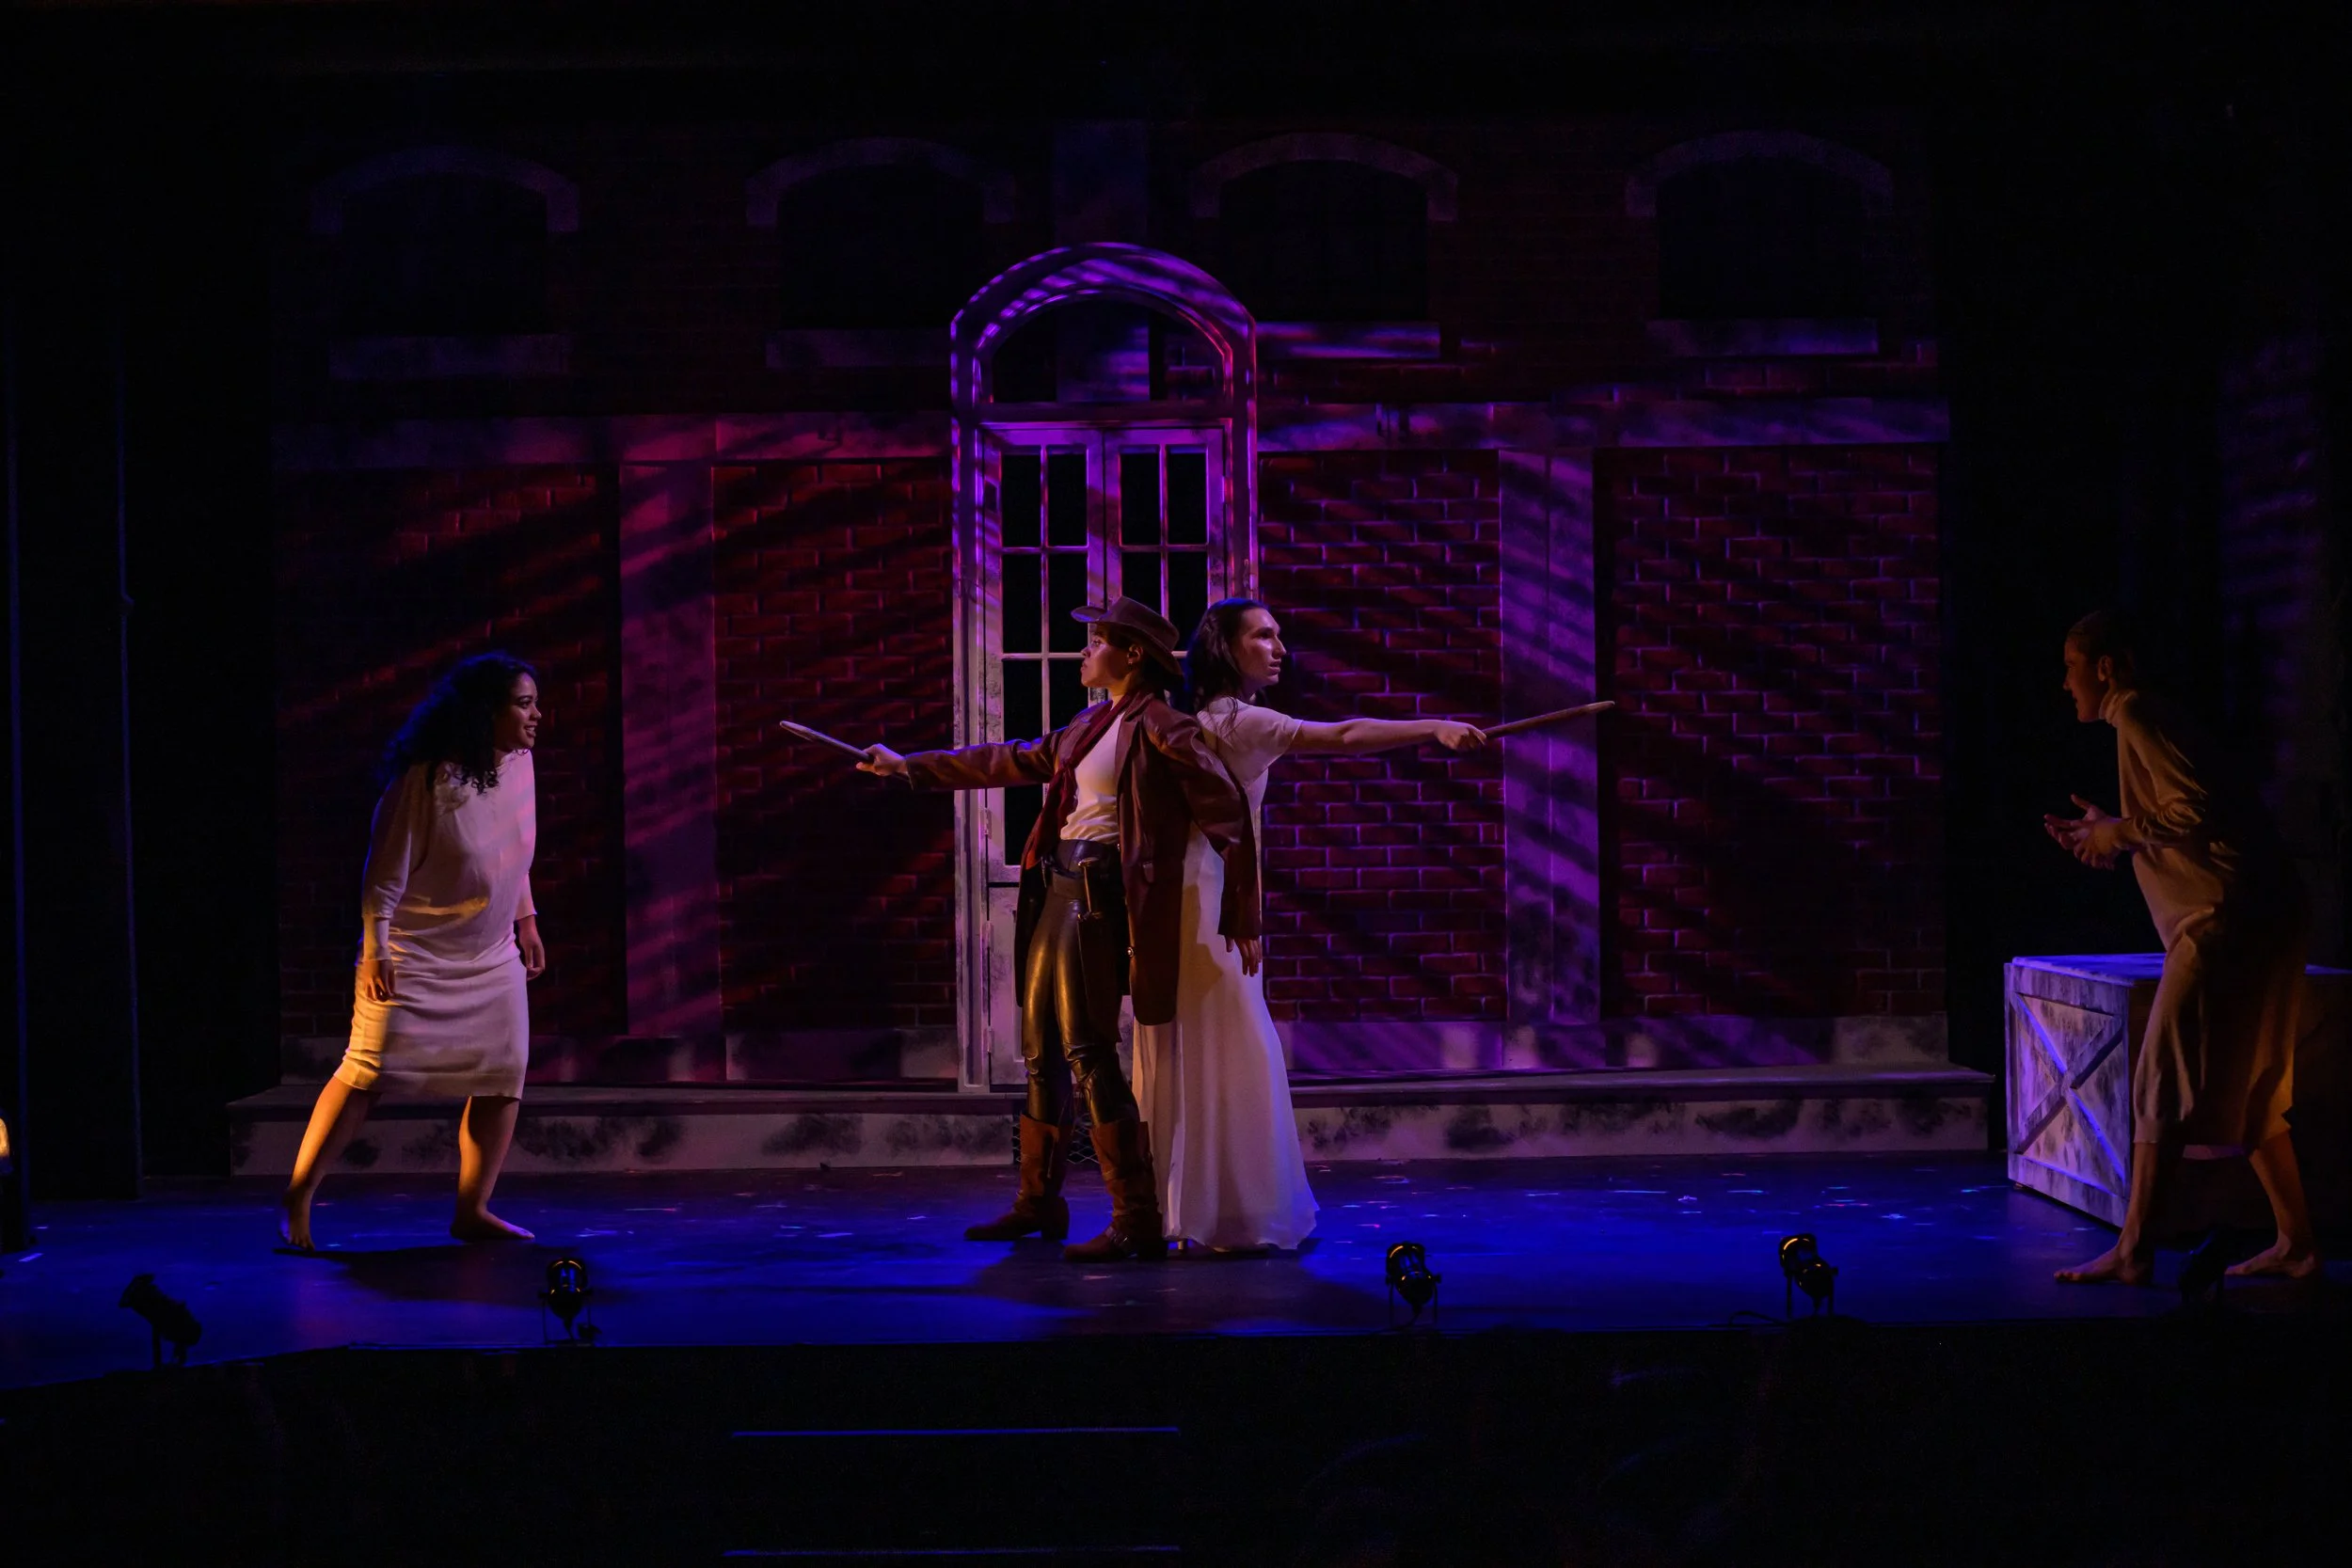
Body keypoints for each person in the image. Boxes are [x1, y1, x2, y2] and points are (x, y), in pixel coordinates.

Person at [860, 597, 1260, 1262]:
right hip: (1056, 886)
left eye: (1096, 641)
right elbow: (1012, 759)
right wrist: (910, 766)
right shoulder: (1090, 723)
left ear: (1133, 654)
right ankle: (1038, 1201)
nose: (1083, 651)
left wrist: (1242, 914)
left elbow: (1231, 817)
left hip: (1099, 898)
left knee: (1087, 1050)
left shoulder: (1166, 727)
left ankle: (1135, 1213)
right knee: (1040, 1049)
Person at [1139, 598, 1486, 1254]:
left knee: (1208, 1045)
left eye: (1279, 636)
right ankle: (1226, 1213)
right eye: (1263, 636)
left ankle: (1195, 1206)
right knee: (1231, 1044)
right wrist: (1433, 726)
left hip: (1192, 892)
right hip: (1207, 896)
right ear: (1226, 648)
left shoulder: (1197, 720)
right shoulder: (1239, 722)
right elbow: (1346, 735)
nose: (1279, 648)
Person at [2043, 610, 2321, 1283]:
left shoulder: (2135, 712)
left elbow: (2192, 807)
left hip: (2225, 919)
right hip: (2256, 914)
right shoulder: (2144, 716)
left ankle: (2135, 1249)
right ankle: (2299, 1245)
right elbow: (2185, 810)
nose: (2065, 683)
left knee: (2162, 1072)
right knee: (2253, 1086)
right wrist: (2109, 830)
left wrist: (2121, 831)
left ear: (2104, 667)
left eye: (2071, 667)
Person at [279, 654, 548, 1251]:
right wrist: (376, 953)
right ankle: (297, 1198)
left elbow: (512, 848)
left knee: (504, 1076)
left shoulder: (521, 765)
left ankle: (472, 1209)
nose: (537, 715)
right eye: (524, 703)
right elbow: (382, 881)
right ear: (487, 711)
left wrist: (526, 919)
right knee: (367, 1072)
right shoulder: (424, 781)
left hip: (491, 949)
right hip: (413, 951)